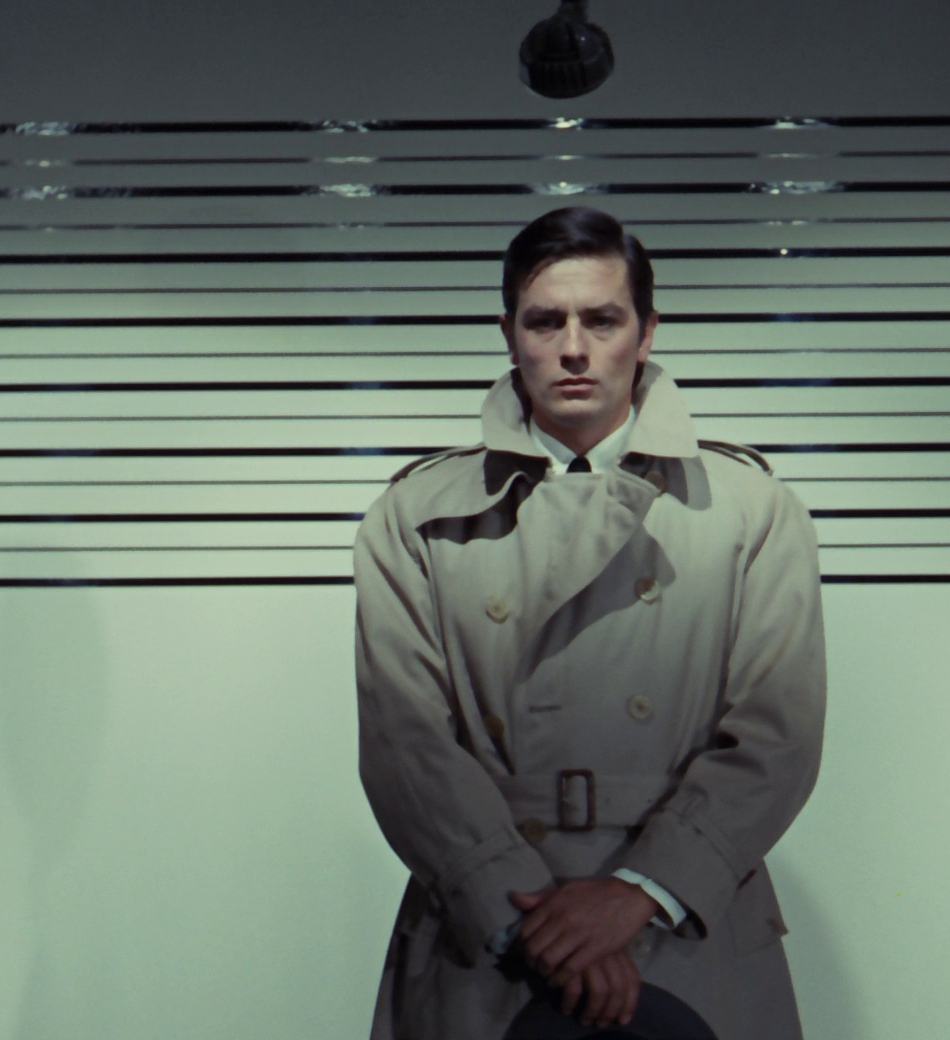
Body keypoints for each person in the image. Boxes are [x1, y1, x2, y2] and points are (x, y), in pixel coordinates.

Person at [354, 206, 826, 1040]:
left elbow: (774, 737)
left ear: (646, 333)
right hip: (489, 930)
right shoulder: (416, 516)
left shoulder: (751, 510)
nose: (574, 348)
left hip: (682, 925)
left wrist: (638, 892)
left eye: (601, 320)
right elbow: (406, 747)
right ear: (509, 336)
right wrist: (534, 922)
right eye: (547, 322)